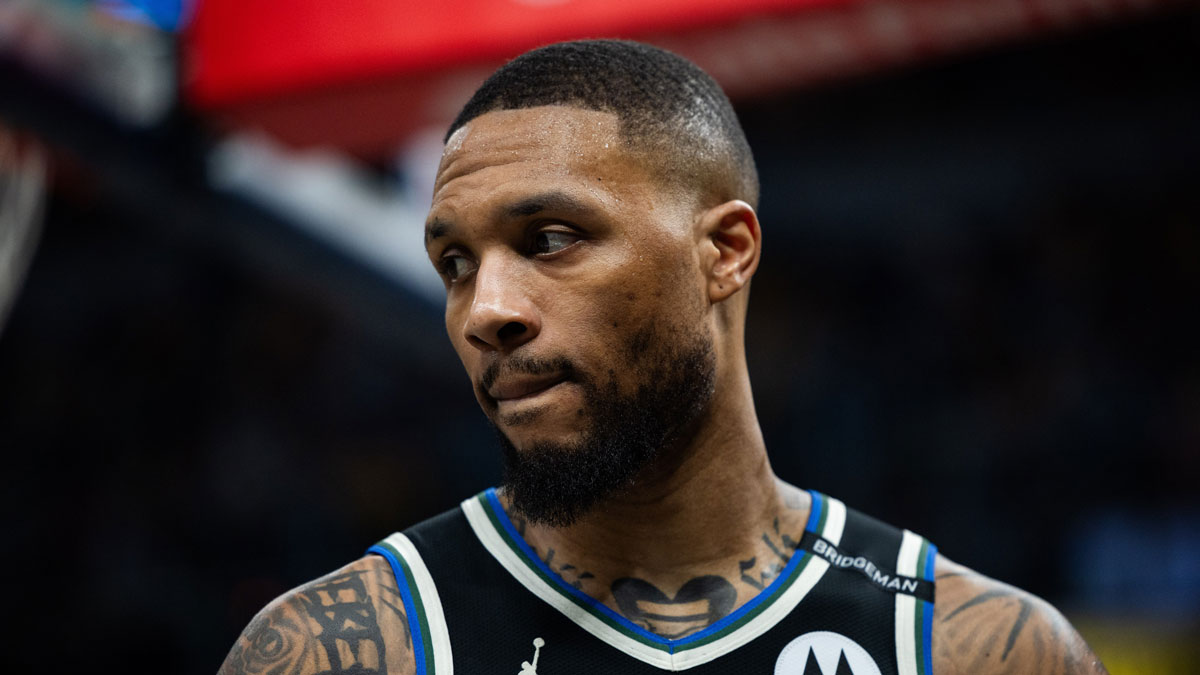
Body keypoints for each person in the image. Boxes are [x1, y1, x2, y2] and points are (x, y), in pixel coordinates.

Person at [219, 40, 1107, 675]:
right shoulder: (340, 649)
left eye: (551, 238)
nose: (486, 310)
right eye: (455, 263)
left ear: (724, 253)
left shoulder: (979, 650)